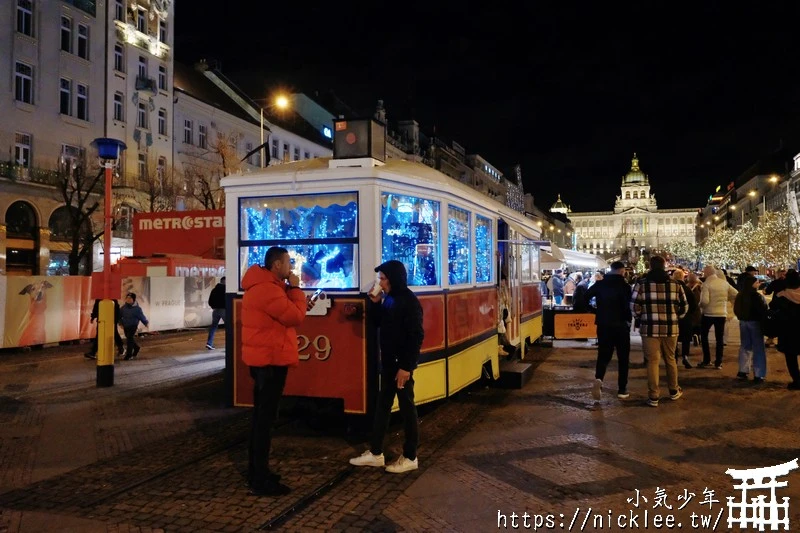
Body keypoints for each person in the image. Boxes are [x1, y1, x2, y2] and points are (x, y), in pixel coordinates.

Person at [242, 246, 313, 496]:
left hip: (266, 360)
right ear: (276, 266)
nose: (291, 268)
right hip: (270, 362)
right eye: (287, 263)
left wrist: (292, 292)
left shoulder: (266, 287)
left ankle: (258, 471)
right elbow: (294, 316)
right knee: (265, 421)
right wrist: (295, 289)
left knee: (263, 419)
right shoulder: (268, 290)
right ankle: (259, 477)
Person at [350, 260, 424, 474]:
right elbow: (379, 323)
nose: (380, 282)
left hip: (400, 365)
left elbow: (416, 336)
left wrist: (407, 367)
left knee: (407, 408)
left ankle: (410, 456)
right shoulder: (390, 298)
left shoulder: (408, 301)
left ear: (393, 279)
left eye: (383, 278)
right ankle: (376, 453)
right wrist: (375, 303)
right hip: (390, 363)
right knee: (383, 407)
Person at [631, 256, 687, 407]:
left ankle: (654, 395)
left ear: (650, 266)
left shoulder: (642, 284)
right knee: (670, 359)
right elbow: (684, 305)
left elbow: (634, 305)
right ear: (664, 266)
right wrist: (676, 317)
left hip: (649, 328)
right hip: (671, 327)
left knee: (652, 361)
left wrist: (642, 317)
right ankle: (674, 390)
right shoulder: (675, 284)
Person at [585, 261, 632, 400]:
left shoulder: (600, 284)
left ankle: (599, 378)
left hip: (604, 324)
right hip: (621, 325)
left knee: (603, 354)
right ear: (622, 271)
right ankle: (622, 389)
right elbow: (628, 305)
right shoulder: (625, 286)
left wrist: (594, 311)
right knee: (623, 358)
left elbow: (583, 298)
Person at [698, 266, 738, 369]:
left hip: (708, 314)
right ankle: (718, 362)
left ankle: (707, 360)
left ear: (707, 273)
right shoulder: (724, 283)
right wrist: (726, 299)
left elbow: (704, 301)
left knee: (704, 336)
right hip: (721, 314)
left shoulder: (707, 284)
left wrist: (700, 306)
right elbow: (736, 294)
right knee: (719, 338)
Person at [733, 274, 768, 383]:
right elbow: (763, 310)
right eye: (757, 282)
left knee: (745, 346)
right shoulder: (756, 296)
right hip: (755, 323)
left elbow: (736, 309)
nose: (758, 284)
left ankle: (743, 370)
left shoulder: (740, 295)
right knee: (758, 348)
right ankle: (759, 374)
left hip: (743, 322)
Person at [773, 271, 800, 390]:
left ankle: (797, 380)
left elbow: (772, 307)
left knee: (791, 357)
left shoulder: (782, 296)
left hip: (788, 332)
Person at [672, 270, 698, 369]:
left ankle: (674, 357)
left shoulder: (672, 288)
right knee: (686, 339)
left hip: (674, 317)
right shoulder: (687, 289)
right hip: (686, 317)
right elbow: (693, 305)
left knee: (674, 338)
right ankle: (685, 356)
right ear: (683, 277)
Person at [119, 293, 149, 360]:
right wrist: (120, 323)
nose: (128, 299)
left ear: (133, 299)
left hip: (133, 326)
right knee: (129, 338)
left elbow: (141, 316)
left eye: (130, 298)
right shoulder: (123, 308)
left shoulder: (137, 309)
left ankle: (129, 355)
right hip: (125, 325)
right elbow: (119, 316)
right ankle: (136, 348)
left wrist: (146, 323)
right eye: (127, 298)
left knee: (129, 339)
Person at [206, 277, 226, 350]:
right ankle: (230, 343)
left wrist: (213, 307)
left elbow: (210, 301)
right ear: (225, 281)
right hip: (224, 310)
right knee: (229, 328)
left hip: (215, 310)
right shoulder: (226, 290)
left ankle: (209, 343)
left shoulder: (214, 290)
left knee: (213, 327)